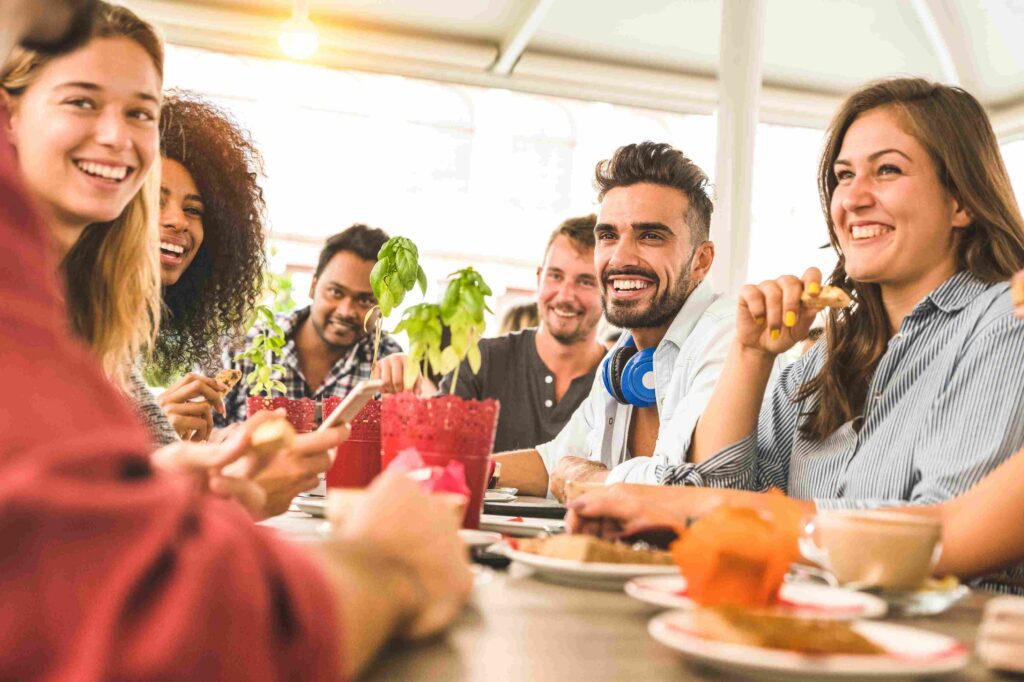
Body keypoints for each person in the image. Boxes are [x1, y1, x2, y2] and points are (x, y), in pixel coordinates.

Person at [0, 3, 471, 678]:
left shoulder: (92, 318)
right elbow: (160, 628)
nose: (117, 137)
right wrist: (390, 566)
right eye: (81, 100)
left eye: (141, 113)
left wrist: (184, 486)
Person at [568, 78, 1024, 590]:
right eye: (844, 175)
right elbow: (722, 492)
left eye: (888, 170)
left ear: (961, 200)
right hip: (806, 634)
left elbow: (930, 538)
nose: (852, 197)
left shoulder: (1006, 323)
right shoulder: (830, 353)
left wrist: (690, 505)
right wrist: (750, 354)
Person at [493, 142, 735, 498]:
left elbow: (690, 485)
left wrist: (594, 480)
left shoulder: (727, 337)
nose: (620, 257)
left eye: (650, 236)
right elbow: (555, 465)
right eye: (608, 235)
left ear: (701, 261)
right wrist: (452, 471)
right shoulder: (623, 356)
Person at [378, 215, 608, 452]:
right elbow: (433, 449)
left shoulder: (616, 380)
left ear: (608, 289)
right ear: (539, 278)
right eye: (556, 276)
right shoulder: (484, 360)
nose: (565, 295)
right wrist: (402, 396)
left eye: (585, 281)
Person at [149, 90, 268, 443]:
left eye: (193, 210)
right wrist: (154, 430)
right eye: (157, 201)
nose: (178, 221)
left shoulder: (134, 329)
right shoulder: (67, 314)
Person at [218, 224, 403, 425]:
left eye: (365, 300)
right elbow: (193, 433)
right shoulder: (247, 346)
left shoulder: (386, 357)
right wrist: (229, 438)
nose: (346, 311)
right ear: (313, 286)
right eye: (336, 292)